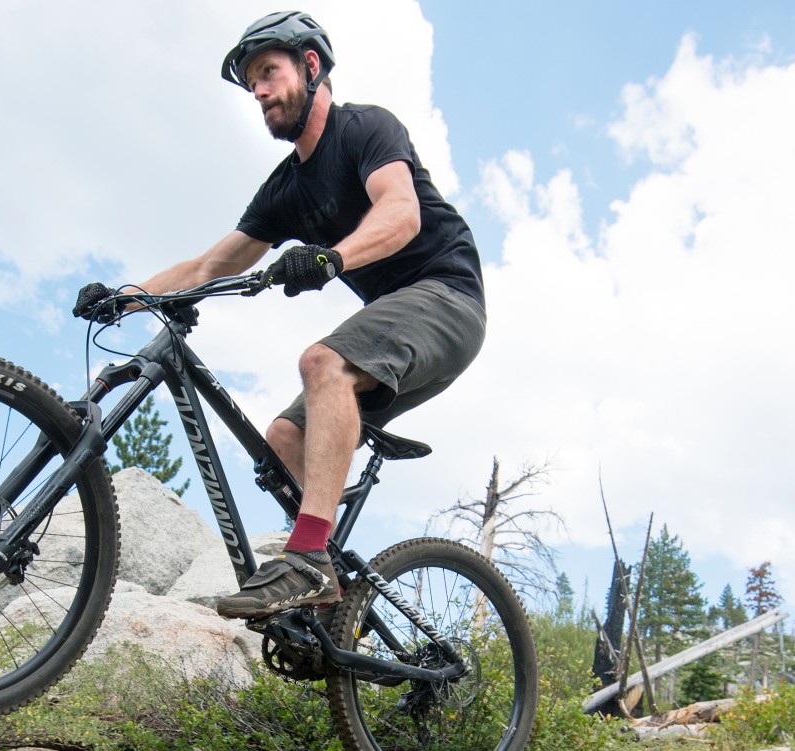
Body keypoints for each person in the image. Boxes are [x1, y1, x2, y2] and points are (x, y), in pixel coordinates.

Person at [73, 10, 486, 619]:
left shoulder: (365, 129)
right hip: (397, 322)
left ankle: (309, 557)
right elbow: (210, 264)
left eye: (268, 73)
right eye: (251, 83)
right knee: (285, 437)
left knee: (323, 362)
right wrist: (125, 296)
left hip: (447, 296)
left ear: (311, 66)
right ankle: (331, 610)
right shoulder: (284, 189)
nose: (259, 91)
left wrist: (331, 258)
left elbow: (402, 213)